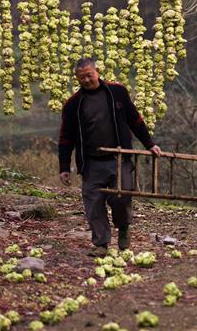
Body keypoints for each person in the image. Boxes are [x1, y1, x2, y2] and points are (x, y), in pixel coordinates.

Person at [59, 58, 162, 255]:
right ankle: (101, 244)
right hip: (91, 162)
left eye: (89, 75)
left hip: (119, 158)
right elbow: (66, 138)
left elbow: (135, 119)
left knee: (121, 197)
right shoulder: (73, 104)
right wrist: (64, 167)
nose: (87, 80)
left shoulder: (117, 92)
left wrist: (150, 144)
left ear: (97, 71)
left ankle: (123, 228)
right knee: (93, 202)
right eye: (82, 77)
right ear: (76, 79)